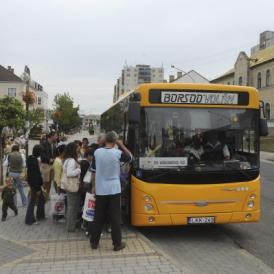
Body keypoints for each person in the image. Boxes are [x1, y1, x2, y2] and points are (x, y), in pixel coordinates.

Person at [90, 131, 132, 251]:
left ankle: (94, 242)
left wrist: (94, 186)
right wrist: (122, 145)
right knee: (115, 217)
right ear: (115, 141)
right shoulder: (118, 153)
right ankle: (117, 244)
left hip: (100, 189)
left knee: (98, 216)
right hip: (114, 189)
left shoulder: (97, 152)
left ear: (104, 141)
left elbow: (93, 171)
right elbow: (130, 157)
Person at [63, 142, 81, 232]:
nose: (79, 148)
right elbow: (70, 173)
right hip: (72, 186)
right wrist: (79, 169)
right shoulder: (72, 161)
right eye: (77, 147)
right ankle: (70, 227)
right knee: (72, 206)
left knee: (71, 205)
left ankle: (70, 224)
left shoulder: (67, 159)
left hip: (68, 185)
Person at [25, 145, 45, 225]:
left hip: (33, 183)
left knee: (40, 199)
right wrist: (37, 188)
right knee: (32, 202)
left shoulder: (30, 158)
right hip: (35, 184)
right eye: (40, 152)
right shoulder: (34, 161)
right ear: (38, 152)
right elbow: (35, 175)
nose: (41, 154)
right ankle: (30, 220)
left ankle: (40, 216)